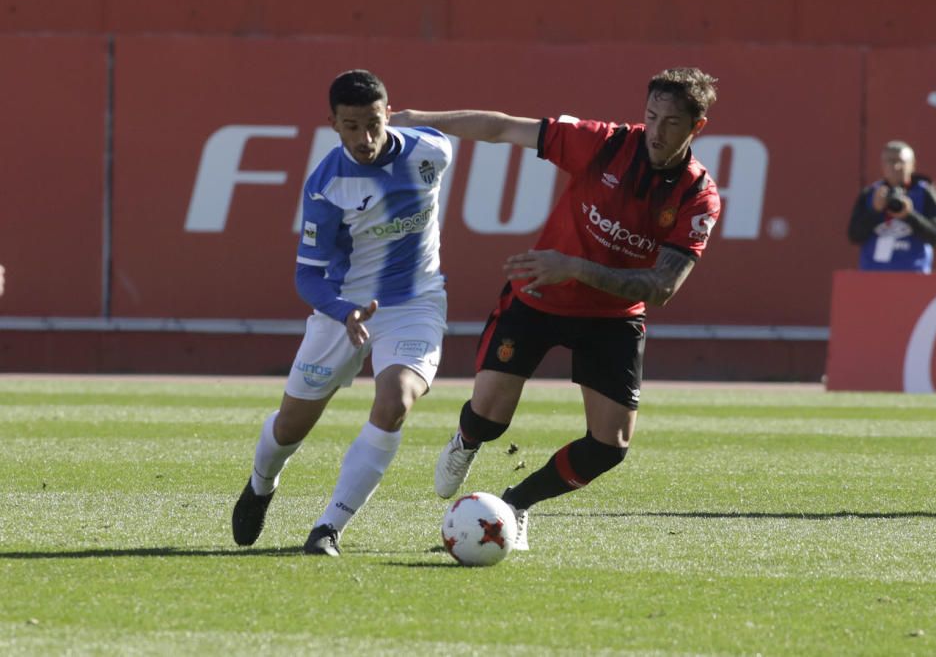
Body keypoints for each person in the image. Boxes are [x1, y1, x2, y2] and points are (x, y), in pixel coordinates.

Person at [391, 67, 721, 550]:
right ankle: (466, 440)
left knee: (610, 446)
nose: (656, 131)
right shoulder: (605, 143)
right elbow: (501, 127)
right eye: (651, 116)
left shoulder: (698, 196)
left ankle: (517, 503)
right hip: (540, 295)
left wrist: (574, 266)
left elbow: (662, 288)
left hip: (613, 316)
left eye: (671, 123)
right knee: (489, 417)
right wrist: (413, 119)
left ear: (697, 128)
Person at [232, 69, 452, 556]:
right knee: (290, 428)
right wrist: (344, 311)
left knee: (395, 401)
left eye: (373, 123)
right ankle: (261, 484)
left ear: (388, 114)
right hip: (343, 310)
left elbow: (469, 129)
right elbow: (306, 277)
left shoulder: (431, 151)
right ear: (332, 123)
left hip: (415, 304)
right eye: (351, 126)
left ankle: (328, 528)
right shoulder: (327, 185)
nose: (365, 138)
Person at [847, 140, 936, 273]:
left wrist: (909, 215)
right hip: (873, 276)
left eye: (901, 161)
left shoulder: (926, 193)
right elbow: (854, 236)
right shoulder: (871, 194)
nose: (895, 166)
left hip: (914, 276)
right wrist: (875, 211)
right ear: (882, 165)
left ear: (912, 165)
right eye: (890, 161)